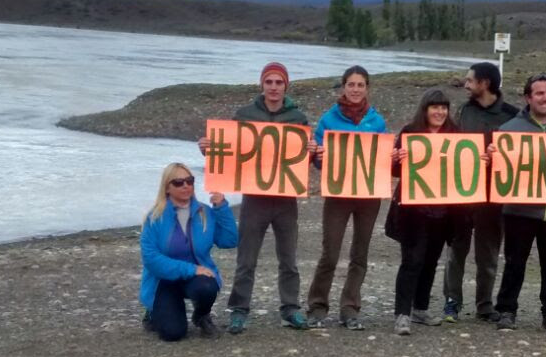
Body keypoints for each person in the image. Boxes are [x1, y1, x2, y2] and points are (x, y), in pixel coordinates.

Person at [199, 62, 310, 333]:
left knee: (289, 258)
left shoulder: (298, 118)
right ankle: (239, 309)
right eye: (269, 82)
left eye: (279, 82)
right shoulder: (244, 115)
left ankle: (290, 307)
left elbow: (305, 161)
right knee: (246, 258)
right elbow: (230, 153)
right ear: (262, 85)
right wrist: (208, 149)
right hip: (254, 198)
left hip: (285, 199)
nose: (273, 87)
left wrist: (313, 149)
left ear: (286, 86)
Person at [491, 73, 546, 334]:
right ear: (528, 98)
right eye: (539, 93)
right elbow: (495, 172)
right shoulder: (508, 131)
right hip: (519, 210)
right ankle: (506, 310)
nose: (545, 98)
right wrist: (491, 158)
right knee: (515, 262)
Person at [306, 65, 388, 330]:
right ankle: (317, 305)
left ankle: (350, 307)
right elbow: (318, 162)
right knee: (330, 252)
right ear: (343, 87)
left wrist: (393, 157)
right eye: (351, 85)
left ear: (367, 88)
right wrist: (318, 155)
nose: (355, 89)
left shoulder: (377, 121)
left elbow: (382, 158)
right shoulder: (328, 120)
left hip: (368, 195)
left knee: (360, 254)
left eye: (360, 85)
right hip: (338, 195)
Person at [442, 61, 519, 323]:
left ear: (484, 83)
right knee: (456, 251)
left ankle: (485, 305)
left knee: (487, 253)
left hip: (494, 196)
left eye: (470, 81)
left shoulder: (512, 115)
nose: (465, 85)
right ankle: (452, 302)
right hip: (463, 195)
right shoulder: (464, 111)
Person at [139, 163, 238, 342]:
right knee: (173, 334)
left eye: (189, 181)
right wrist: (191, 269)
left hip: (196, 279)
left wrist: (222, 207)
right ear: (167, 188)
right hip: (165, 280)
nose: (185, 186)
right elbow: (151, 259)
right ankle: (154, 312)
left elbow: (229, 240)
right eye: (178, 182)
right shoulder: (154, 218)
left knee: (207, 287)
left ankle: (202, 316)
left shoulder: (205, 213)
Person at [390, 89, 459, 335]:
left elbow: (465, 167)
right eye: (435, 107)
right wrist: (397, 159)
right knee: (412, 261)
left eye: (444, 107)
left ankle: (420, 307)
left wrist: (481, 159)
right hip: (413, 210)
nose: (440, 112)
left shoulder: (456, 135)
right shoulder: (409, 132)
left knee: (431, 261)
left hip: (443, 211)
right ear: (425, 109)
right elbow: (395, 171)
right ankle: (402, 313)